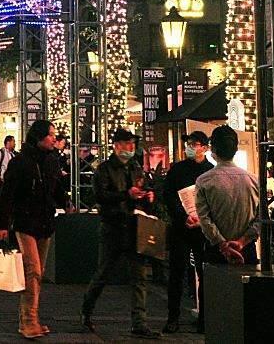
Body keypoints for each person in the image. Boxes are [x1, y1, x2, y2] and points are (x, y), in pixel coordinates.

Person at [81, 129, 160, 339]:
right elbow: (100, 195)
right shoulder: (104, 169)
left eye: (132, 144)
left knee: (139, 277)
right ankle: (86, 311)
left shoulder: (135, 168)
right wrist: (126, 194)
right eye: (126, 144)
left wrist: (147, 196)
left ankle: (139, 322)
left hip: (135, 227)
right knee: (103, 273)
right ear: (116, 146)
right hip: (113, 227)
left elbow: (142, 189)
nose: (130, 148)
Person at [0, 120, 69, 340]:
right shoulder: (20, 162)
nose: (54, 139)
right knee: (33, 270)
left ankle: (30, 318)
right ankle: (29, 320)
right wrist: (2, 224)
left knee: (38, 273)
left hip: (45, 223)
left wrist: (66, 203)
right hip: (25, 223)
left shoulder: (51, 161)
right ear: (38, 137)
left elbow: (56, 188)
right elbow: (7, 195)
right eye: (50, 135)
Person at [194, 125, 259, 334]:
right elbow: (261, 220)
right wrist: (241, 242)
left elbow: (204, 219)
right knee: (246, 306)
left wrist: (222, 244)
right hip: (246, 251)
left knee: (215, 305)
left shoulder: (204, 181)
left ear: (212, 150)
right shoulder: (253, 180)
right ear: (235, 149)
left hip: (216, 252)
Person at [162, 131, 213, 333]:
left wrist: (202, 220)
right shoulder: (178, 169)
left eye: (194, 144)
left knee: (204, 273)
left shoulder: (210, 171)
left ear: (205, 148)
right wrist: (183, 216)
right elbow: (168, 195)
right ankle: (172, 317)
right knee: (176, 272)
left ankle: (204, 319)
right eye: (188, 143)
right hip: (180, 228)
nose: (189, 147)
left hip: (203, 230)